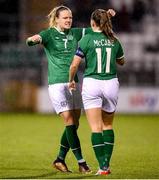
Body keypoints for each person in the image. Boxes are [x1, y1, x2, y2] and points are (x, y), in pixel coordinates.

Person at [26, 5, 115, 174]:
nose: (68, 20)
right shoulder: (48, 34)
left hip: (73, 82)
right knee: (69, 122)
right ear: (57, 19)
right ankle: (82, 163)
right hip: (57, 84)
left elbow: (94, 29)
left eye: (70, 18)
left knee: (75, 123)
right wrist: (33, 40)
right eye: (65, 18)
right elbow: (31, 40)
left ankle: (60, 159)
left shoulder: (75, 33)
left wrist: (107, 16)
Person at [69, 9, 125, 175]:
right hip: (111, 83)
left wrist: (71, 80)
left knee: (96, 128)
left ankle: (103, 167)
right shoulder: (114, 40)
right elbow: (122, 61)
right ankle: (106, 164)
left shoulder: (86, 39)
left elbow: (74, 65)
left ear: (92, 22)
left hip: (92, 83)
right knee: (108, 125)